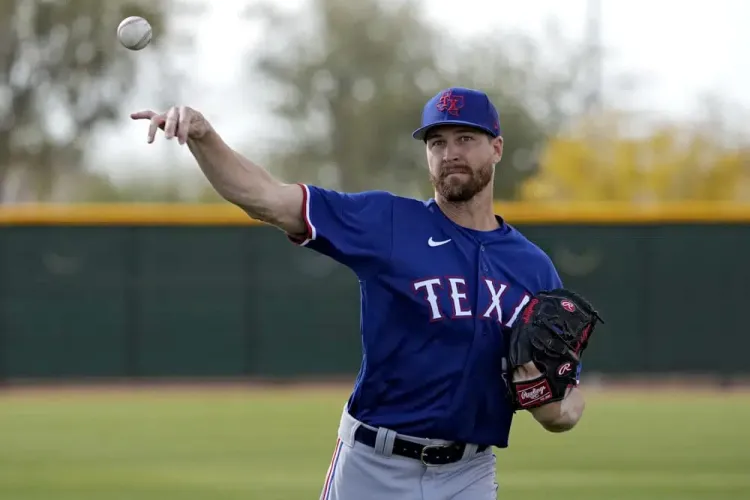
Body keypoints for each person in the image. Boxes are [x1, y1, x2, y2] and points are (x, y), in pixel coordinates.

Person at [131, 86, 587, 499]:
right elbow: (267, 198)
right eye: (436, 142)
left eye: (465, 139)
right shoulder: (388, 223)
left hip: (467, 476)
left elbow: (562, 404)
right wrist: (205, 136)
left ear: (497, 147)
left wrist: (554, 406)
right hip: (373, 469)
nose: (449, 153)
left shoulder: (532, 268)